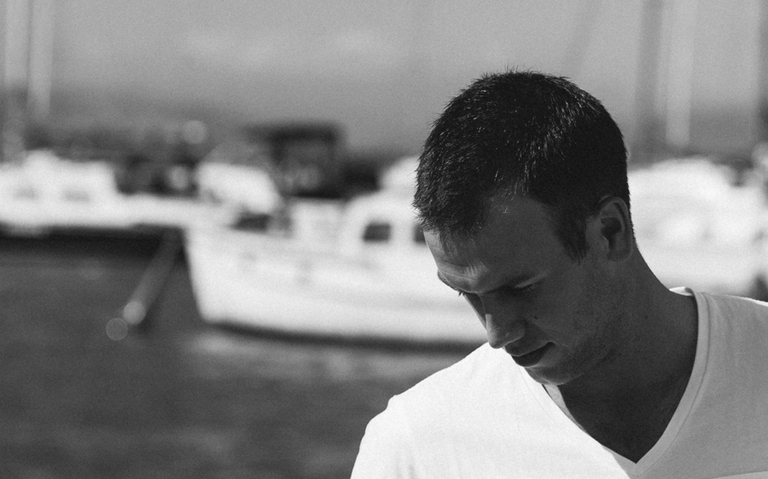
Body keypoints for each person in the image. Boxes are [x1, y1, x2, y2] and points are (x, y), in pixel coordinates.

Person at [351, 70, 768, 478]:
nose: (497, 334)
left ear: (610, 233)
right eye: (468, 295)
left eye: (520, 287)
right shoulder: (416, 448)